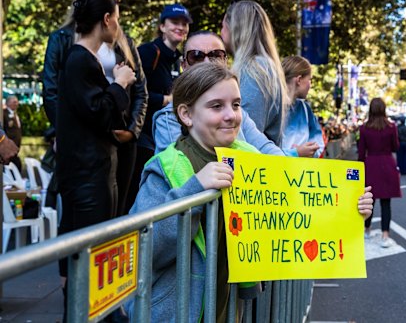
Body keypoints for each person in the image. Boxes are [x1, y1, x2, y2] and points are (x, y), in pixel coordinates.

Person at [127, 62, 373, 321]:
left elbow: (296, 216)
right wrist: (194, 190)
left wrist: (348, 212)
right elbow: (142, 249)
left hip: (225, 308)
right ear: (186, 114)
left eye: (235, 104)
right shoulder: (166, 167)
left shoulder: (252, 160)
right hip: (173, 313)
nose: (231, 115)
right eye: (216, 106)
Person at [56, 0, 136, 320]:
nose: (118, 26)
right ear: (106, 20)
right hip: (88, 176)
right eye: (116, 18)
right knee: (91, 257)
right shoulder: (79, 60)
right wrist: (120, 84)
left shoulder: (84, 61)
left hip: (95, 173)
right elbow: (99, 112)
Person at [42, 0, 148, 219]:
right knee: (89, 227)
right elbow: (53, 93)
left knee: (115, 216)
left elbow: (141, 89)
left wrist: (132, 129)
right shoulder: (70, 46)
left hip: (117, 141)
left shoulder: (125, 43)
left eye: (117, 2)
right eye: (108, 1)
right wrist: (69, 134)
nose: (114, 10)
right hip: (87, 147)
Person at [152, 30, 284, 157]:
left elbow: (267, 150)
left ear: (226, 62)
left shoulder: (237, 113)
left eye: (216, 55)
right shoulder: (169, 119)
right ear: (184, 65)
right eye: (196, 56)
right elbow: (173, 171)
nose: (207, 63)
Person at [126, 3, 191, 214]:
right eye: (175, 22)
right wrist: (166, 100)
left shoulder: (179, 60)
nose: (180, 27)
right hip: (143, 142)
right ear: (162, 26)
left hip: (166, 137)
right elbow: (133, 91)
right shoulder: (147, 52)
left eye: (184, 24)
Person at [221, 0, 288, 146]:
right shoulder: (262, 67)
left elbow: (244, 136)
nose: (220, 32)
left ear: (235, 29)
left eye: (222, 26)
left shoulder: (254, 71)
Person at [358, 98, 401, 248]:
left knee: (369, 200)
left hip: (371, 165)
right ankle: (385, 235)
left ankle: (366, 230)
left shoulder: (364, 128)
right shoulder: (391, 127)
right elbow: (396, 146)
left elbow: (361, 153)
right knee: (386, 202)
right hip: (387, 164)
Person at [281, 55, 324, 158]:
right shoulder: (272, 107)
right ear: (299, 80)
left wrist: (310, 151)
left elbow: (318, 142)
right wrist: (295, 153)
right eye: (309, 80)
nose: (310, 85)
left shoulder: (305, 109)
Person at [3, 96, 22, 171]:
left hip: (15, 148)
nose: (16, 104)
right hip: (8, 148)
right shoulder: (3, 114)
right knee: (16, 165)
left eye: (17, 102)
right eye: (14, 102)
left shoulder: (16, 114)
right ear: (7, 103)